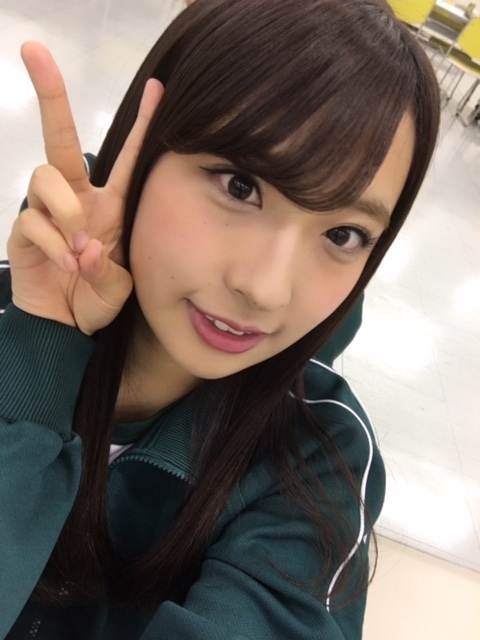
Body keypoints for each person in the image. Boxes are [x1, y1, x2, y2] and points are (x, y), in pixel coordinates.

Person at [0, 0, 439, 638]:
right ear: (144, 150)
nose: (264, 289)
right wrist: (39, 352)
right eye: (239, 186)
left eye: (343, 234)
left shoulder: (321, 456)